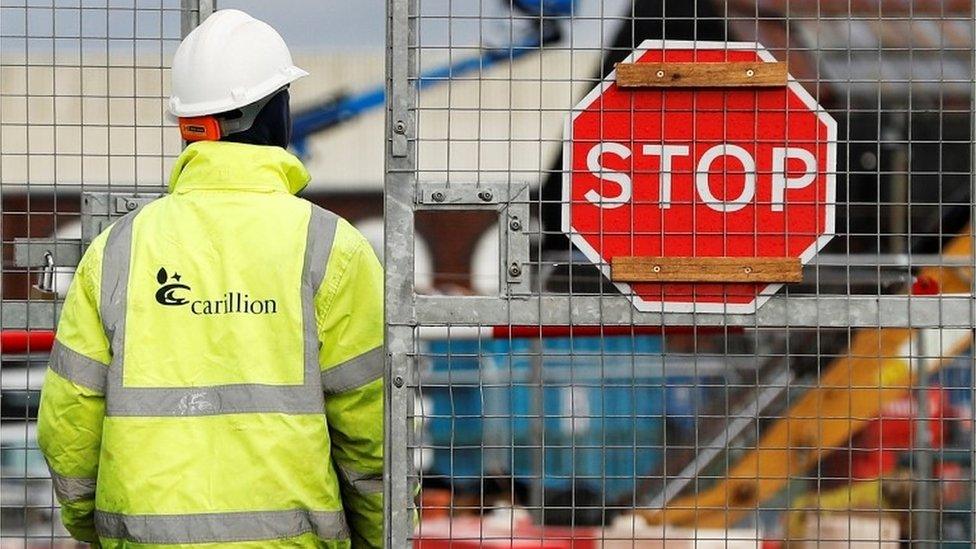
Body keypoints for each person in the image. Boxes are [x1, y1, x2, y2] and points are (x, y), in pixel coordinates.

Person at [36, 9, 384, 548]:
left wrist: (94, 522)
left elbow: (69, 419)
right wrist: (378, 531)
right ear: (274, 115)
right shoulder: (330, 247)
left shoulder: (118, 251)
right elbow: (370, 425)